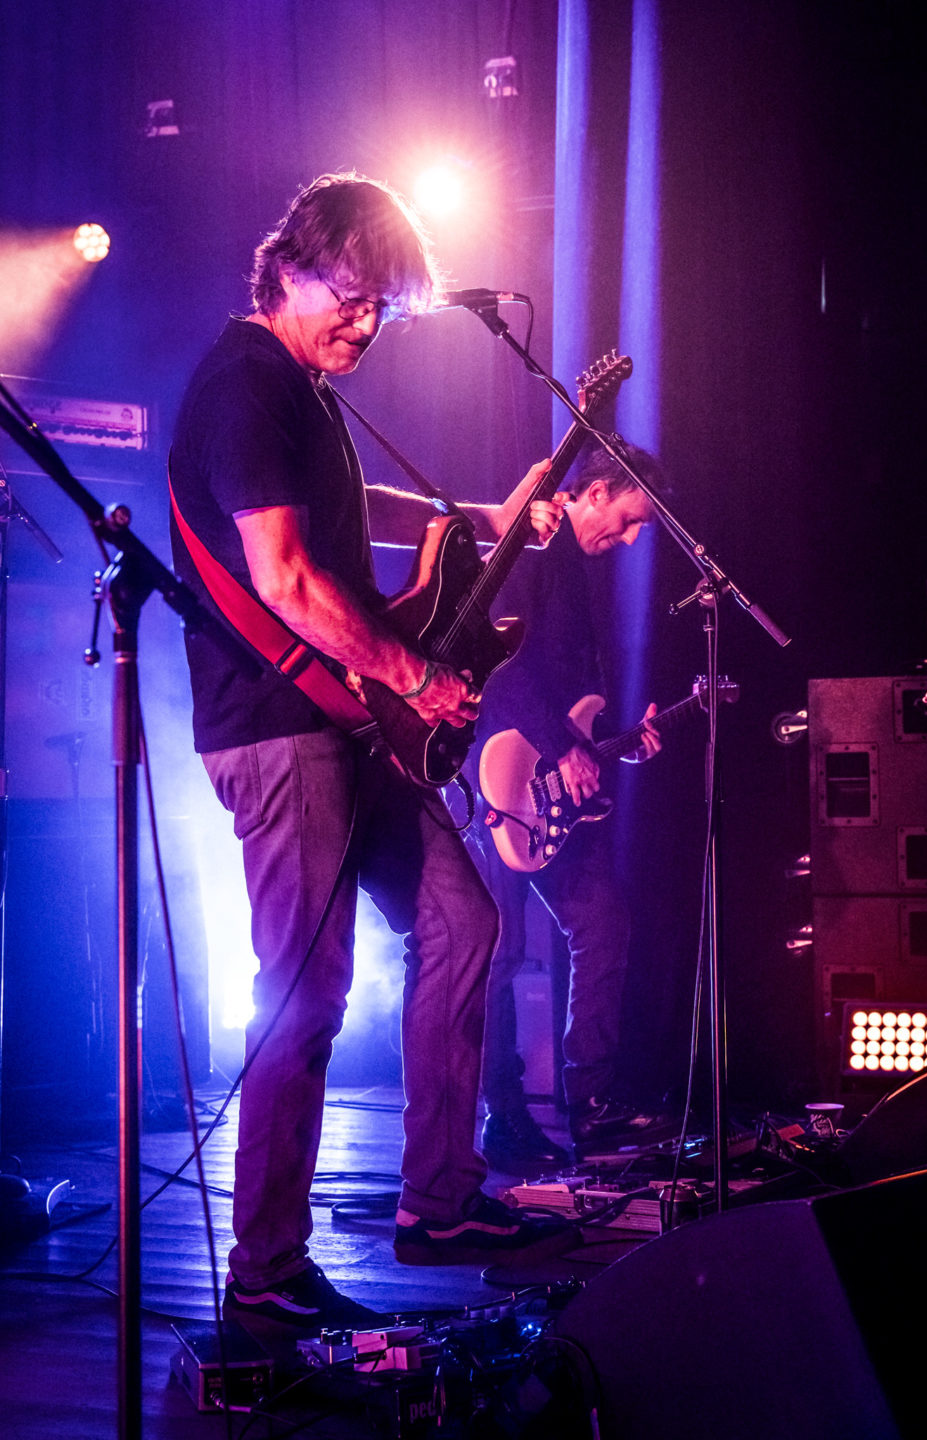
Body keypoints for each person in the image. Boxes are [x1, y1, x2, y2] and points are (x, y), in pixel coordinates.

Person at [168, 172, 571, 1331]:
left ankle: (440, 1201)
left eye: (380, 310)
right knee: (305, 993)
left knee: (463, 921)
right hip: (281, 730)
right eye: (348, 297)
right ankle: (266, 1272)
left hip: (342, 723)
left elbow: (352, 510)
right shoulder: (247, 383)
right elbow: (286, 578)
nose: (364, 324)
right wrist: (415, 675)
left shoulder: (301, 390)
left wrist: (480, 519)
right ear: (287, 266)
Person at [473, 437, 665, 1174]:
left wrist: (613, 743)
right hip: (497, 773)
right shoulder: (532, 551)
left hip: (550, 780)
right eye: (625, 519)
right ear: (590, 493)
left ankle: (591, 1103)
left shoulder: (583, 579)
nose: (630, 537)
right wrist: (568, 744)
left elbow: (568, 698)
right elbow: (505, 670)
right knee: (499, 950)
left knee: (602, 922)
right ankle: (503, 1116)